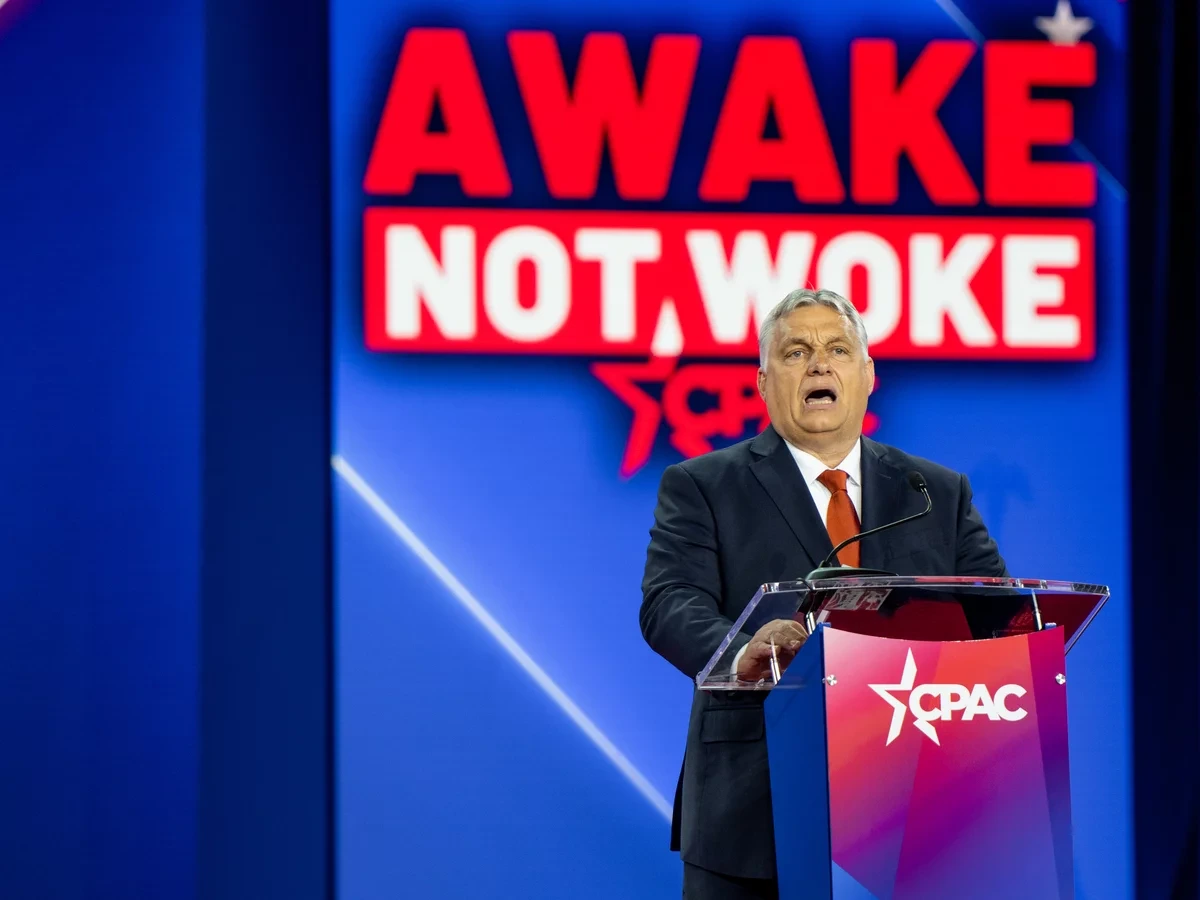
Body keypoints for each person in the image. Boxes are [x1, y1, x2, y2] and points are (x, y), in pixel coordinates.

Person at [640, 289, 1008, 899]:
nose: (819, 364)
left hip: (915, 797)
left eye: (838, 350)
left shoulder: (934, 492)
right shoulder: (704, 485)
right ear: (763, 383)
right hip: (755, 807)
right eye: (796, 352)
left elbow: (996, 617)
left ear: (868, 375)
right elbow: (670, 601)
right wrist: (742, 649)